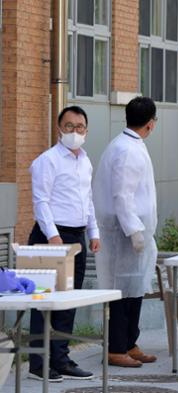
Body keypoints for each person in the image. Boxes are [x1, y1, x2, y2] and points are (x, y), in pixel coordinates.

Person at [28, 106, 100, 382]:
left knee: (67, 302)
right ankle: (37, 362)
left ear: (86, 130)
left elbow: (88, 200)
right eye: (68, 126)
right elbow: (40, 201)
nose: (74, 131)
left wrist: (94, 233)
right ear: (59, 129)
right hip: (51, 237)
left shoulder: (85, 161)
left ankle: (60, 358)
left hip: (77, 236)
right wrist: (53, 235)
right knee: (43, 301)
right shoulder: (47, 161)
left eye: (79, 126)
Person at [94, 97, 159, 368]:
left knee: (135, 290)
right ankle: (116, 348)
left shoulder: (129, 144)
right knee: (121, 292)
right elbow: (123, 195)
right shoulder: (127, 150)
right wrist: (135, 232)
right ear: (151, 123)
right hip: (123, 234)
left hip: (133, 234)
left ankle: (130, 343)